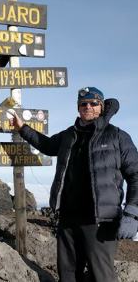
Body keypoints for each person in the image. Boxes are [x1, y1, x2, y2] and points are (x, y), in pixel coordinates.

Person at [8, 87, 138, 282]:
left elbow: (136, 176)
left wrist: (132, 212)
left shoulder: (117, 136)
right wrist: (22, 128)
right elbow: (47, 144)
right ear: (78, 108)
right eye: (83, 103)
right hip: (68, 219)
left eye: (93, 103)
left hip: (101, 222)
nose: (88, 107)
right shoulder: (69, 135)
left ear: (101, 107)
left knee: (101, 275)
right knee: (68, 274)